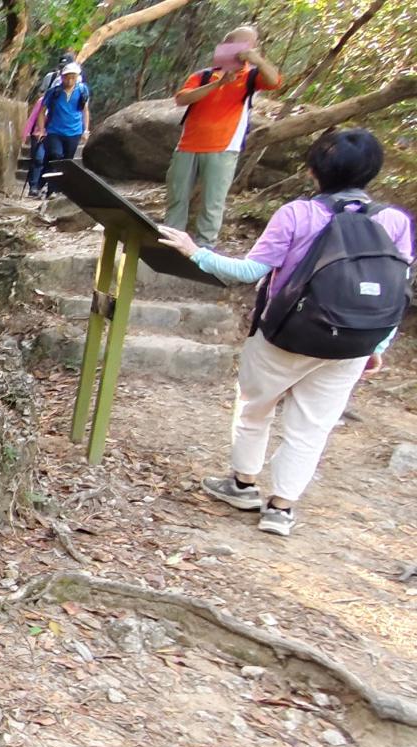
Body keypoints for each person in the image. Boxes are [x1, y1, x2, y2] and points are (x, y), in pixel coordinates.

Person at [159, 129, 411, 537]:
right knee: (312, 427)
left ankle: (242, 485)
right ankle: (281, 509)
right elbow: (397, 288)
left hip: (287, 334)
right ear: (373, 172)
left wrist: (195, 251)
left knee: (254, 408)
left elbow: (249, 272)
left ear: (313, 170)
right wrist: (377, 344)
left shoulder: (298, 214)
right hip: (353, 343)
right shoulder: (394, 221)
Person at [163, 26, 283, 247]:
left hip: (224, 147)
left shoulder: (252, 76)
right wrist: (217, 83)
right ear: (225, 46)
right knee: (176, 198)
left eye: (248, 45)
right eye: (237, 44)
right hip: (188, 145)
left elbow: (274, 82)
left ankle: (204, 249)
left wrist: (258, 60)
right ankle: (169, 242)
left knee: (213, 203)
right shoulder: (203, 76)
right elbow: (182, 99)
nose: (242, 50)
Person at [27, 62, 90, 198]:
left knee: (66, 161)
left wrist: (85, 130)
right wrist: (41, 130)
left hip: (74, 131)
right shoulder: (54, 92)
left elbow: (85, 110)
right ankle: (51, 189)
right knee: (56, 156)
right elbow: (42, 111)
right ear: (62, 77)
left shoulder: (82, 90)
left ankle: (56, 189)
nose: (70, 81)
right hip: (54, 131)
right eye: (67, 77)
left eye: (73, 77)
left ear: (77, 77)